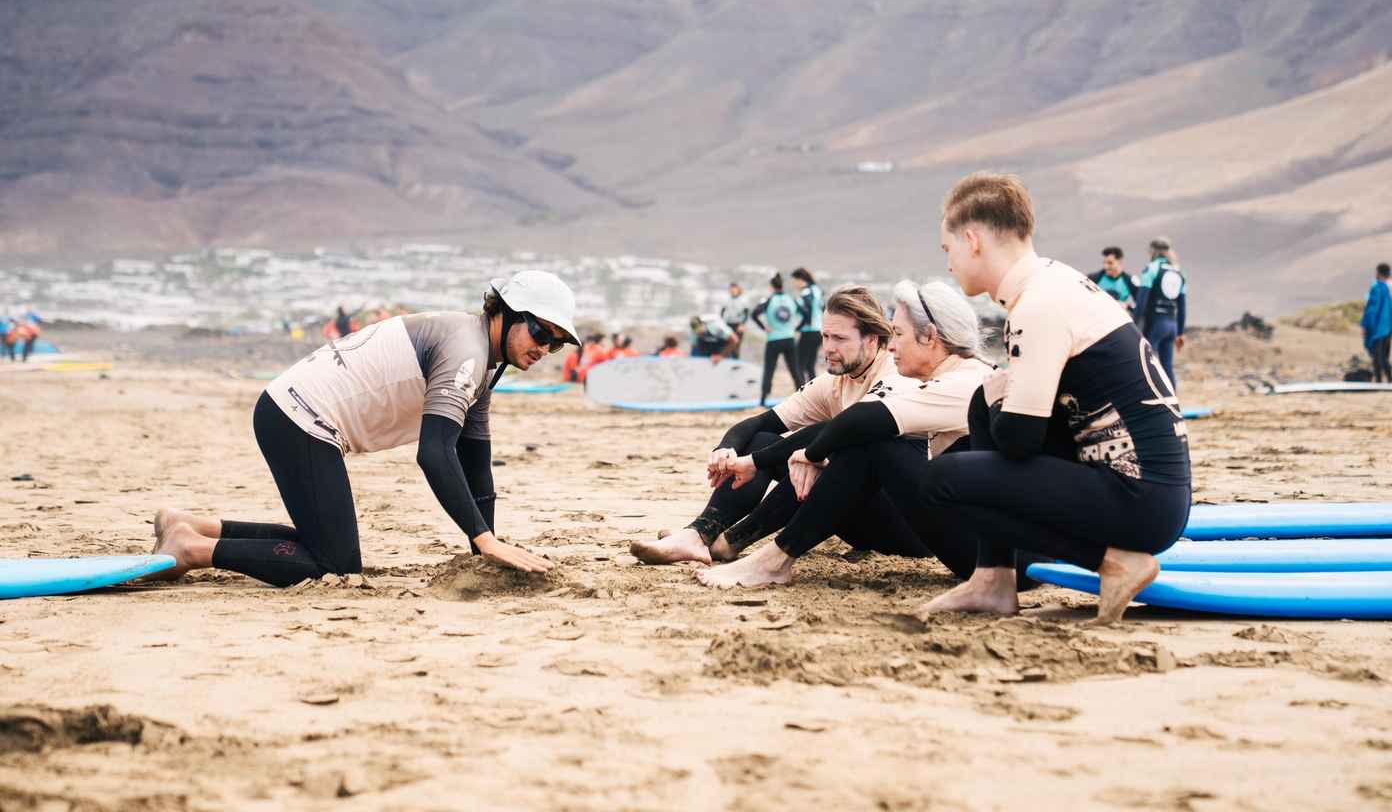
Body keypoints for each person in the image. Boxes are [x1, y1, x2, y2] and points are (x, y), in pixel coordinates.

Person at [147, 271, 580, 586]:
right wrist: (485, 539)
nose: (544, 348)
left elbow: (474, 462)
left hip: (289, 411)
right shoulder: (466, 352)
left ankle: (191, 524)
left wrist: (484, 549)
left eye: (556, 342)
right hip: (300, 419)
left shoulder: (481, 362)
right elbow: (434, 453)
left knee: (322, 541)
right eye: (540, 332)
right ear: (503, 312)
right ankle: (191, 550)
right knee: (334, 562)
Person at [909, 173, 1192, 625]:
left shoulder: (1038, 304)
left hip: (1140, 502)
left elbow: (1020, 440)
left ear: (972, 240)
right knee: (985, 401)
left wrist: (1011, 394)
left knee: (940, 479)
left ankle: (1112, 561)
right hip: (1153, 494)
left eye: (948, 250)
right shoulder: (1057, 281)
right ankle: (993, 579)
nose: (948, 264)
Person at [695, 280, 996, 589]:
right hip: (979, 547)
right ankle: (711, 535)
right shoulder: (955, 377)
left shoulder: (965, 382)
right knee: (807, 443)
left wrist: (808, 455)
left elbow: (865, 420)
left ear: (930, 336)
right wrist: (746, 453)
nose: (892, 346)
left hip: (993, 559)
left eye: (899, 335)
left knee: (868, 445)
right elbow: (776, 424)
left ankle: (766, 557)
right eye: (825, 336)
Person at [630, 286, 896, 565]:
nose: (828, 348)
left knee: (818, 456)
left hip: (897, 525)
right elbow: (759, 423)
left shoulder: (894, 375)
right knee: (765, 441)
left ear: (871, 340)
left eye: (840, 338)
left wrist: (762, 462)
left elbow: (839, 430)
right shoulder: (834, 383)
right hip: (847, 512)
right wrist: (726, 450)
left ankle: (728, 541)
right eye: (825, 336)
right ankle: (701, 534)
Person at [1134, 237, 1187, 386]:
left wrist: (1133, 324)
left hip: (1156, 325)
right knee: (1167, 367)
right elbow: (1182, 307)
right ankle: (1174, 403)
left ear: (1152, 251)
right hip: (1172, 326)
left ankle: (1149, 402)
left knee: (1145, 365)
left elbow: (1141, 302)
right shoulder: (1179, 272)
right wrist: (1181, 333)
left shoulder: (1151, 268)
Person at [751, 273, 802, 406]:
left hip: (773, 340)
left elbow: (754, 314)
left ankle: (762, 401)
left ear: (771, 287)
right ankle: (803, 398)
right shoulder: (791, 299)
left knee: (769, 370)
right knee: (795, 369)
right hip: (789, 338)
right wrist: (796, 327)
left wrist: (764, 327)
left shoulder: (769, 300)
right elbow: (806, 314)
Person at [1362, 263, 1392, 383]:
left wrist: (1365, 324)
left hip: (1378, 326)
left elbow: (1372, 308)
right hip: (1389, 324)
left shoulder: (1377, 287)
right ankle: (1389, 380)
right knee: (1385, 355)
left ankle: (1380, 380)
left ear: (1378, 272)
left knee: (1378, 356)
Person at [791, 268, 825, 384]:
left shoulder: (806, 292)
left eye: (794, 281)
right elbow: (823, 309)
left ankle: (800, 395)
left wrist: (798, 327)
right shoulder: (817, 290)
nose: (794, 284)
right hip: (819, 331)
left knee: (798, 365)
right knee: (810, 366)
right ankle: (815, 396)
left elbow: (807, 313)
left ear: (801, 280)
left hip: (809, 332)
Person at [1088, 247, 1137, 315]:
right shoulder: (1093, 278)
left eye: (1110, 263)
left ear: (1120, 262)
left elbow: (1140, 304)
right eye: (1104, 263)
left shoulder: (1130, 281)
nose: (1106, 266)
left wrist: (1127, 306)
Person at [719, 282, 750, 358]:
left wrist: (742, 324)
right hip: (728, 324)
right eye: (731, 289)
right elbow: (722, 312)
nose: (732, 291)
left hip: (738, 325)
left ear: (737, 290)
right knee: (727, 344)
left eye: (734, 289)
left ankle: (736, 363)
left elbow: (746, 313)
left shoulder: (743, 300)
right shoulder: (727, 300)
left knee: (736, 345)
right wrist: (722, 323)